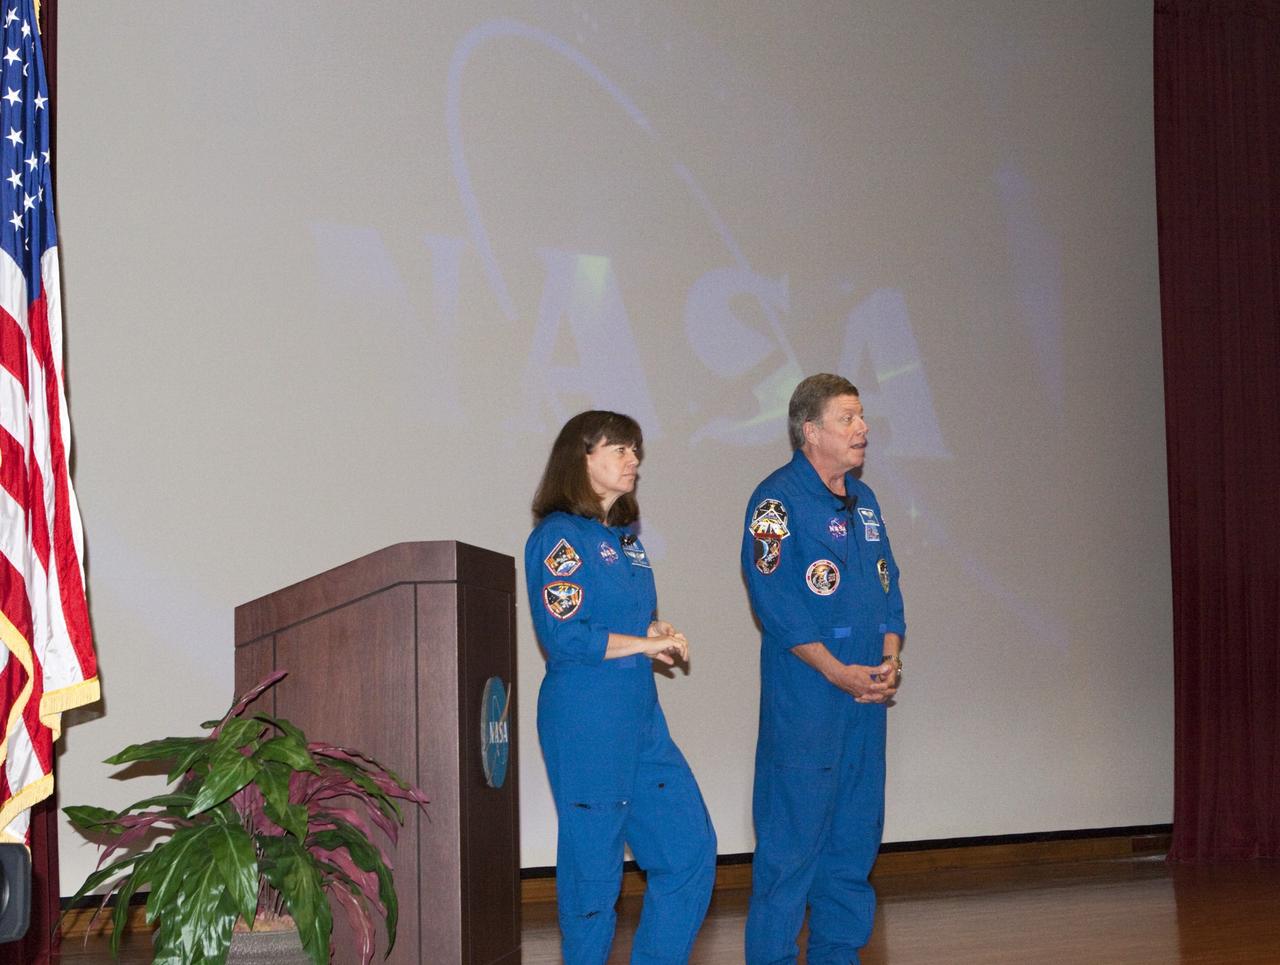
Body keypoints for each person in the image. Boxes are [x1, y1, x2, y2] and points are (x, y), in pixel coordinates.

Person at [526, 410, 717, 965]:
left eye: (636, 449)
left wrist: (652, 631)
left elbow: (627, 618)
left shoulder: (626, 540)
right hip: (586, 717)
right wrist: (641, 645)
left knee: (689, 852)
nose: (633, 459)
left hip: (639, 717)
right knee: (594, 875)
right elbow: (565, 636)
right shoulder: (557, 538)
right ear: (578, 459)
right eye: (618, 448)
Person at [741, 374, 906, 965]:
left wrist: (889, 660)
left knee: (852, 845)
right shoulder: (775, 503)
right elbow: (777, 607)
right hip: (809, 703)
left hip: (864, 703)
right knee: (791, 853)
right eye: (848, 418)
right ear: (811, 431)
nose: (862, 428)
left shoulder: (867, 503)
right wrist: (838, 672)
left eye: (861, 417)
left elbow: (889, 586)